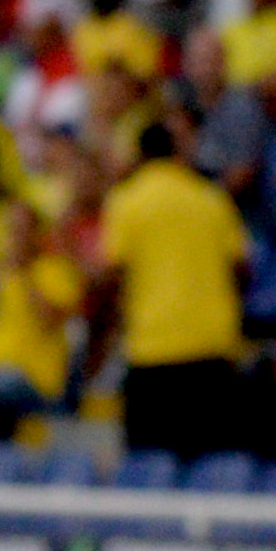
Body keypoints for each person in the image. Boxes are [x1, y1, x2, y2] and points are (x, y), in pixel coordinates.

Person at [96, 110, 253, 463]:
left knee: (150, 471)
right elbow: (241, 268)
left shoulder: (127, 201)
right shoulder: (212, 199)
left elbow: (112, 274)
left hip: (153, 351)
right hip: (213, 347)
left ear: (140, 154)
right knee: (213, 466)